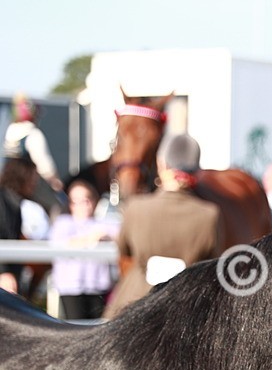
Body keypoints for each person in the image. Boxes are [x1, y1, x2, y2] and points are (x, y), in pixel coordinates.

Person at [104, 134, 223, 318]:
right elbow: (212, 262)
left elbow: (123, 251)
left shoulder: (135, 208)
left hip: (132, 306)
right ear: (196, 172)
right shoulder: (210, 215)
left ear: (162, 165)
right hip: (184, 308)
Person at [49, 180, 118, 320]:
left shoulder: (104, 223)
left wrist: (102, 236)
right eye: (76, 201)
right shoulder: (63, 222)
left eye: (86, 200)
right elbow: (61, 243)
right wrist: (91, 238)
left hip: (97, 286)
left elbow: (120, 234)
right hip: (71, 288)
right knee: (75, 328)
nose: (83, 205)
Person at [4, 92, 62, 194]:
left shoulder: (8, 131)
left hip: (6, 190)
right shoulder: (33, 134)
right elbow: (46, 169)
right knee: (58, 206)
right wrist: (57, 185)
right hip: (27, 189)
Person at [0, 156, 37, 295]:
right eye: (32, 177)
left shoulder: (14, 203)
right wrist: (3, 272)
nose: (35, 183)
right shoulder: (4, 202)